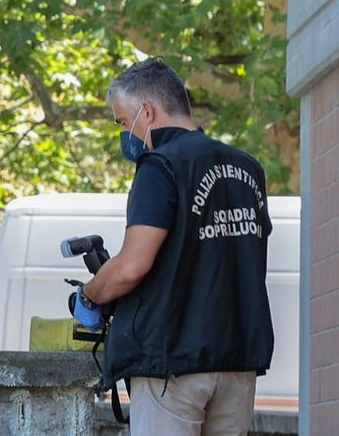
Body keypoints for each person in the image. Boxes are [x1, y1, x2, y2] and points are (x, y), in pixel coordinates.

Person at [70, 57, 274, 436]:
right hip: (238, 360)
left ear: (146, 111)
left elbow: (132, 266)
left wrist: (89, 296)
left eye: (121, 121)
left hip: (173, 363)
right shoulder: (248, 168)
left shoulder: (160, 165)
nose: (123, 132)